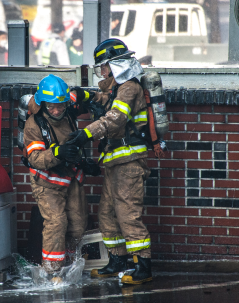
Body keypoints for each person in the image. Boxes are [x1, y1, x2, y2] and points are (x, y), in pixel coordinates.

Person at [68, 38, 165, 285]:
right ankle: (117, 261)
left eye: (103, 66)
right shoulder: (116, 89)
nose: (101, 71)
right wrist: (84, 95)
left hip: (130, 163)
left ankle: (142, 267)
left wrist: (85, 133)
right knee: (107, 215)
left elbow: (115, 119)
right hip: (114, 163)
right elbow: (104, 100)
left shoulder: (129, 88)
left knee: (128, 215)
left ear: (115, 65)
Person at [22, 74, 88, 283]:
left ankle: (67, 263)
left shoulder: (68, 111)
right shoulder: (34, 125)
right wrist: (58, 152)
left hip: (70, 178)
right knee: (57, 222)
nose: (57, 111)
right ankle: (51, 272)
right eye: (52, 107)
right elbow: (35, 158)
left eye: (61, 106)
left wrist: (84, 162)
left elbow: (83, 98)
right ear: (43, 104)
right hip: (47, 182)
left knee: (78, 224)